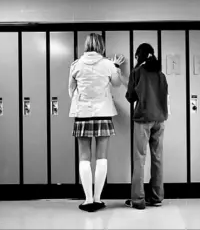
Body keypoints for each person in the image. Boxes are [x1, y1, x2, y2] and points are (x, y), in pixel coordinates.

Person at [68, 33, 127, 212]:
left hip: (82, 115)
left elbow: (71, 91)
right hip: (103, 114)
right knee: (102, 157)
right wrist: (116, 66)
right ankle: (98, 198)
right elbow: (117, 84)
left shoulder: (76, 65)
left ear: (86, 45)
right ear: (101, 45)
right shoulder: (108, 65)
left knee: (84, 158)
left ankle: (87, 200)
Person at [125, 43, 169, 210]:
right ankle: (157, 197)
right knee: (157, 158)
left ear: (139, 56)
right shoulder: (161, 74)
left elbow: (130, 96)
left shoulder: (137, 72)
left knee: (140, 158)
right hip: (160, 120)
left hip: (143, 120)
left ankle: (138, 199)